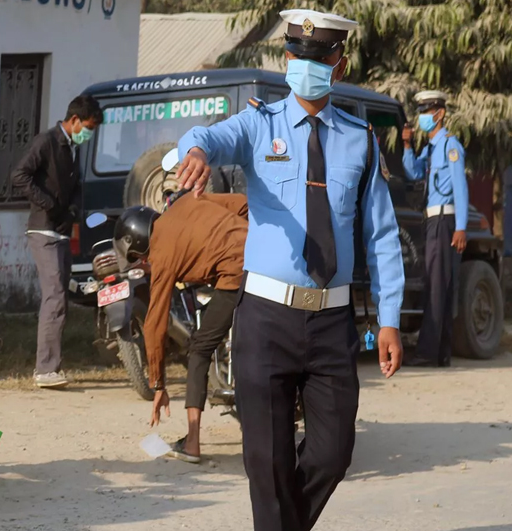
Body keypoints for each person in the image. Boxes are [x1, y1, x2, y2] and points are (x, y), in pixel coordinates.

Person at [173, 9, 405, 531]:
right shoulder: (259, 124)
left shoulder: (359, 139)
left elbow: (382, 234)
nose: (306, 65)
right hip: (265, 318)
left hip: (332, 322)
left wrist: (388, 318)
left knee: (333, 452)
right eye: (298, 56)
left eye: (318, 57)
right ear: (286, 59)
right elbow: (207, 138)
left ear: (337, 65)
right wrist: (194, 152)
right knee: (268, 462)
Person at [115, 192, 249, 464]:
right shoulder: (187, 201)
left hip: (236, 274)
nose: (144, 264)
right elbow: (244, 204)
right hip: (267, 261)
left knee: (198, 350)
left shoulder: (162, 251)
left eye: (139, 258)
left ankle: (192, 443)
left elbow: (154, 324)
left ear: (140, 242)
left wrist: (159, 384)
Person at [11, 95, 103, 389]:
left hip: (61, 232)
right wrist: (48, 204)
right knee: (55, 297)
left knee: (62, 295)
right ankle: (45, 370)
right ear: (75, 120)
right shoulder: (47, 142)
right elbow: (19, 175)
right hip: (44, 232)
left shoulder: (72, 148)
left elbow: (75, 187)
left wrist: (74, 208)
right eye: (88, 126)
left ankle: (52, 366)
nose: (89, 133)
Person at [402, 90, 469, 367]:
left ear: (439, 114)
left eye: (426, 112)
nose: (422, 118)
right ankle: (441, 352)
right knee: (440, 285)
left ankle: (428, 352)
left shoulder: (450, 146)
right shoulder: (430, 149)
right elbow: (413, 172)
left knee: (436, 285)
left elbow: (460, 188)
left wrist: (461, 227)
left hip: (444, 220)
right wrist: (407, 146)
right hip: (432, 220)